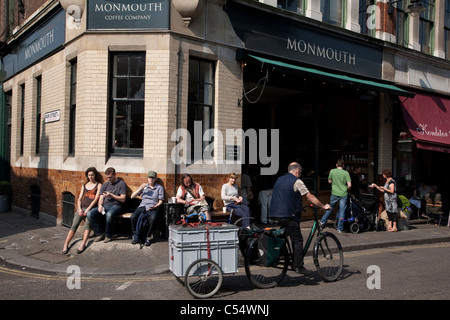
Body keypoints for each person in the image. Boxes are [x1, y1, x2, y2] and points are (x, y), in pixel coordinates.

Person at [269, 162, 331, 275]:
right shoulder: (296, 181)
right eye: (300, 172)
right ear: (297, 171)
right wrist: (323, 206)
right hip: (288, 215)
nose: (300, 174)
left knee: (284, 235)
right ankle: (298, 266)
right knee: (297, 240)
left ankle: (283, 255)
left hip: (274, 213)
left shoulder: (279, 179)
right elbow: (309, 197)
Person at [62, 167, 102, 254]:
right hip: (82, 208)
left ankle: (83, 244)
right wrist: (79, 208)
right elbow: (79, 198)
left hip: (91, 209)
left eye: (92, 175)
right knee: (74, 225)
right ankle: (66, 244)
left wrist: (87, 210)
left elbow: (96, 199)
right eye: (89, 175)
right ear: (87, 176)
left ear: (95, 175)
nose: (91, 177)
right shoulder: (84, 185)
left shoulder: (99, 185)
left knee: (87, 226)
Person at [87, 167, 127, 243]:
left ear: (115, 175)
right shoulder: (105, 185)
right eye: (107, 177)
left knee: (109, 215)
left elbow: (123, 199)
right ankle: (99, 234)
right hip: (105, 205)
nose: (109, 179)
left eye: (110, 177)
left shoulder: (121, 184)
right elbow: (101, 197)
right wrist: (99, 205)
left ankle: (108, 235)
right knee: (90, 214)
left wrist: (111, 195)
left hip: (116, 206)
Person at [130, 171, 164, 246]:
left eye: (153, 178)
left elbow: (160, 201)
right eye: (149, 178)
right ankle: (135, 236)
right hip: (142, 206)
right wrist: (140, 189)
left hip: (153, 206)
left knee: (152, 218)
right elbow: (132, 197)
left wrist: (155, 207)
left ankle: (148, 237)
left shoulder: (159, 188)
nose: (151, 179)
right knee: (133, 217)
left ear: (155, 179)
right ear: (147, 178)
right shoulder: (144, 186)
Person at [320, 159, 352, 232]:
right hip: (343, 194)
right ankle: (339, 228)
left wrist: (334, 183)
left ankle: (322, 222)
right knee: (342, 211)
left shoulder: (332, 171)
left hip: (334, 193)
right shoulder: (346, 173)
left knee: (330, 208)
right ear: (343, 166)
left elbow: (329, 181)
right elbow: (349, 185)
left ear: (336, 165)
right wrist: (346, 189)